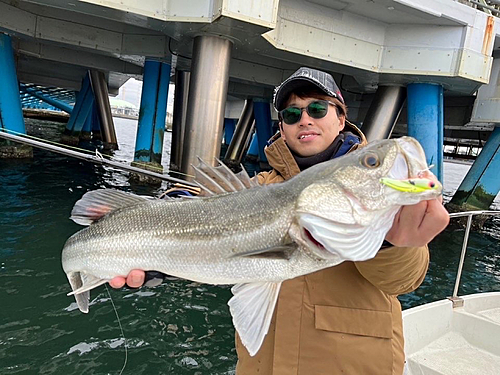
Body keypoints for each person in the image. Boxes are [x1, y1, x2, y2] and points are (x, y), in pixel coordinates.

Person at [111, 67, 450, 374]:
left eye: (317, 109)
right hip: (264, 365)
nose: (305, 119)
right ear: (282, 128)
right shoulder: (257, 188)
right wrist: (161, 247)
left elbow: (403, 282)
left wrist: (392, 242)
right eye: (291, 114)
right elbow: (204, 209)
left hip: (352, 365)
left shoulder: (375, 189)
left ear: (341, 118)